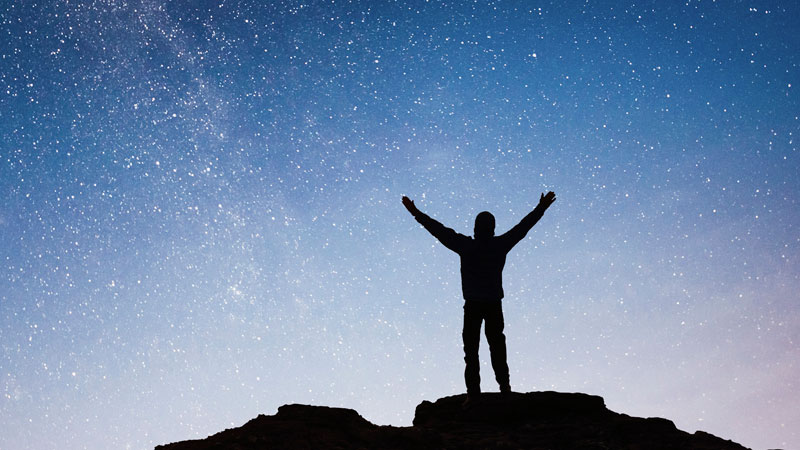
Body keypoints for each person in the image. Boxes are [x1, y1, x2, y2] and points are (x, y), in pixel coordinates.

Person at [402, 192, 556, 402]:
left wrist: (415, 212)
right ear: (492, 229)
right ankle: (504, 388)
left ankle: (475, 394)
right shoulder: (498, 245)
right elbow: (523, 227)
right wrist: (541, 208)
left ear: (476, 228)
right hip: (492, 305)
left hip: (475, 305)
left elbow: (438, 230)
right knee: (496, 347)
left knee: (473, 350)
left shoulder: (467, 245)